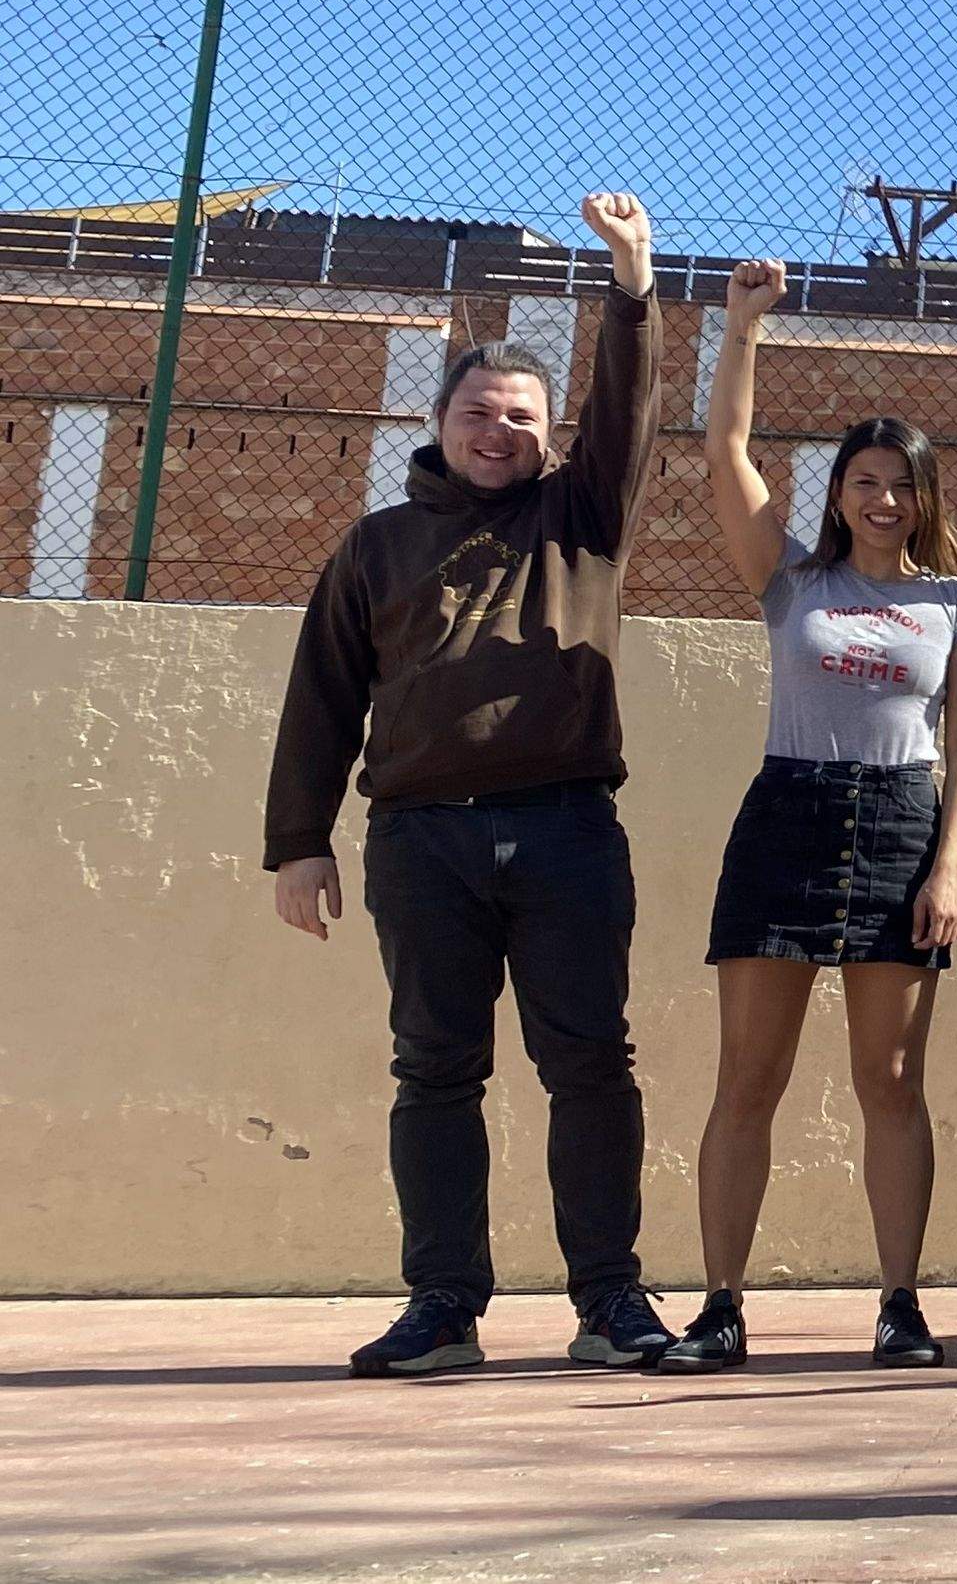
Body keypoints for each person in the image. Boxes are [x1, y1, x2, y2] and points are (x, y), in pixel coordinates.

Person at [266, 192, 678, 1379]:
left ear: (551, 437)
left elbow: (632, 412)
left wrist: (634, 281)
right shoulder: (376, 544)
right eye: (479, 411)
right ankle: (443, 1305)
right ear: (440, 421)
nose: (499, 429)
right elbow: (322, 697)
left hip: (566, 836)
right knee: (434, 1072)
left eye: (522, 416)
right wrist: (301, 840)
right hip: (419, 841)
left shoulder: (583, 516)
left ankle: (611, 1303)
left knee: (590, 1065)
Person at [655, 260, 957, 1374]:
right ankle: (719, 1307)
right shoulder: (791, 580)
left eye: (902, 482)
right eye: (863, 479)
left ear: (925, 496)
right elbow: (725, 457)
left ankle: (900, 1304)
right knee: (746, 1080)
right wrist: (743, 328)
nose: (882, 498)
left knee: (889, 1083)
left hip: (902, 825)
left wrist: (949, 871)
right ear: (838, 490)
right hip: (786, 817)